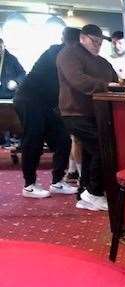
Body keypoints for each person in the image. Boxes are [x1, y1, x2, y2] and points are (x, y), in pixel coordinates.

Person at [57, 24, 119, 211]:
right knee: (102, 148)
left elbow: (114, 79)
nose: (98, 45)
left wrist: (113, 84)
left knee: (92, 151)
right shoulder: (69, 54)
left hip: (95, 113)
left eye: (100, 42)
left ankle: (85, 193)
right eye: (95, 41)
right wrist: (107, 85)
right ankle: (94, 192)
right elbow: (78, 81)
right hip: (75, 112)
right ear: (82, 38)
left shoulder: (102, 61)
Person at [14, 27, 81, 198]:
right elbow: (73, 79)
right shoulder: (57, 53)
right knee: (33, 139)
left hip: (45, 103)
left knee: (63, 139)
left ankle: (57, 181)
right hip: (29, 99)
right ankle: (29, 185)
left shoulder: (67, 54)